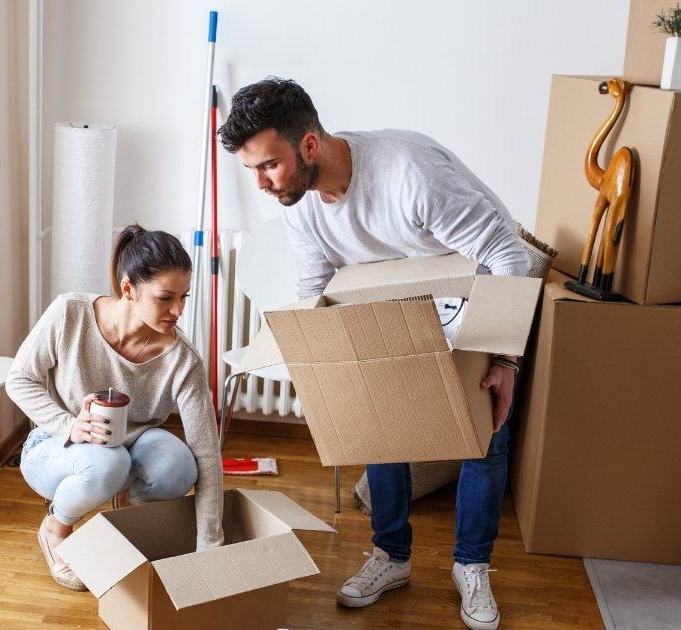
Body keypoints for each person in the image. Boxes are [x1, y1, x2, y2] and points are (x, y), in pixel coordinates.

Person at [219, 77, 528, 630]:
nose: (262, 183)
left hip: (475, 296)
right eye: (252, 171)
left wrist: (505, 361)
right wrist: (328, 375)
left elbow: (508, 257)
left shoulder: (410, 174)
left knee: (485, 438)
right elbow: (317, 293)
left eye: (268, 165)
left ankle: (472, 565)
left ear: (309, 145)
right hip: (397, 307)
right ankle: (392, 557)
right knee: (382, 426)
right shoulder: (301, 205)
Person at [5, 225, 224, 591]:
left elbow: (207, 455)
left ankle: (123, 518)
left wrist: (210, 547)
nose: (178, 310)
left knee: (180, 464)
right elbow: (18, 379)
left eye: (184, 297)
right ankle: (55, 528)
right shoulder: (70, 313)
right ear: (128, 289)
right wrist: (69, 424)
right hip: (55, 446)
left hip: (130, 447)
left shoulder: (182, 360)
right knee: (109, 461)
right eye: (165, 297)